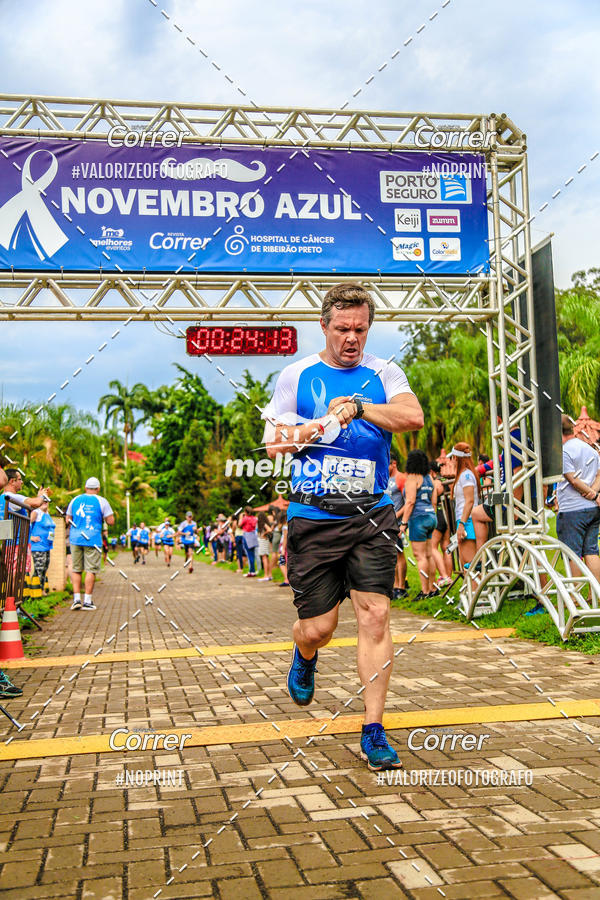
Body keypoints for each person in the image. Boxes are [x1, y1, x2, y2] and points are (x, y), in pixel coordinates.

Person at [262, 281, 423, 771]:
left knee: (375, 615)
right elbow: (273, 443)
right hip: (314, 516)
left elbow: (412, 416)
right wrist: (316, 427)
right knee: (320, 627)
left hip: (371, 514)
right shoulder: (296, 374)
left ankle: (374, 729)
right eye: (342, 329)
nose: (352, 338)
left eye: (360, 329)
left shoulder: (383, 372)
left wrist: (360, 407)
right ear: (324, 326)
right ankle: (304, 652)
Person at [556, 415, 600, 581]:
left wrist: (590, 492)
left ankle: (574, 593)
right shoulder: (589, 448)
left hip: (572, 510)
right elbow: (599, 474)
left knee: (572, 554)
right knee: (591, 551)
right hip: (592, 508)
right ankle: (595, 592)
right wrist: (593, 492)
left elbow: (572, 480)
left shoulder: (563, 452)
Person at [66, 477, 114, 610]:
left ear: (85, 488)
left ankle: (76, 600)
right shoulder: (102, 501)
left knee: (76, 569)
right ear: (98, 489)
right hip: (92, 539)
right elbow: (111, 521)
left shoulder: (75, 500)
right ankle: (87, 601)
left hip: (75, 538)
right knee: (90, 570)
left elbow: (67, 519)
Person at [398, 449, 439, 599]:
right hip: (431, 517)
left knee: (420, 557)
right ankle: (433, 588)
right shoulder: (429, 478)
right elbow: (434, 500)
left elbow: (410, 502)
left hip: (418, 519)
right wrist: (431, 514)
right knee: (429, 555)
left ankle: (425, 591)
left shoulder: (412, 478)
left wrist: (403, 524)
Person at [448, 443, 479, 571]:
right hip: (464, 520)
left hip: (467, 521)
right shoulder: (463, 475)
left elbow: (470, 501)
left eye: (452, 457)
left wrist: (462, 524)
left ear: (456, 457)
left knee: (471, 567)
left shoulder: (466, 475)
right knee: (466, 565)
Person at [385, 457, 408, 599]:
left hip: (398, 523)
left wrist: (398, 517)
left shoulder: (400, 478)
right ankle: (394, 586)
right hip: (387, 523)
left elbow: (408, 501)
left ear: (394, 463)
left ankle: (402, 587)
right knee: (390, 555)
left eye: (387, 463)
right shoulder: (386, 479)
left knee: (399, 554)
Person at [430, 460, 452, 586]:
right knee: (446, 547)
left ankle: (444, 576)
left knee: (432, 547)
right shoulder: (445, 480)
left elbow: (433, 500)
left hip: (438, 514)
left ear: (431, 471)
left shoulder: (436, 482)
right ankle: (448, 577)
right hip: (447, 515)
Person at [29, 499, 55, 593]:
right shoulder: (36, 512)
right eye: (43, 500)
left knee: (44, 568)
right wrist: (31, 537)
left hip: (47, 546)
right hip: (38, 546)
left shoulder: (47, 513)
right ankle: (35, 591)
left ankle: (41, 590)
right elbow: (27, 523)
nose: (45, 502)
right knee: (39, 568)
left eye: (46, 501)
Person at [240, 506, 258, 577]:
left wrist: (241, 517)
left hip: (247, 535)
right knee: (252, 554)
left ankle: (251, 571)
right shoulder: (254, 518)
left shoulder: (245, 518)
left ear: (246, 512)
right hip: (253, 535)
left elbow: (239, 525)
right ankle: (253, 570)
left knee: (248, 554)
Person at [257, 511, 273, 581]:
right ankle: (269, 575)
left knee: (264, 558)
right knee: (266, 558)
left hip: (263, 541)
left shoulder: (263, 524)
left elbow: (269, 530)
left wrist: (264, 534)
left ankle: (266, 575)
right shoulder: (265, 523)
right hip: (265, 541)